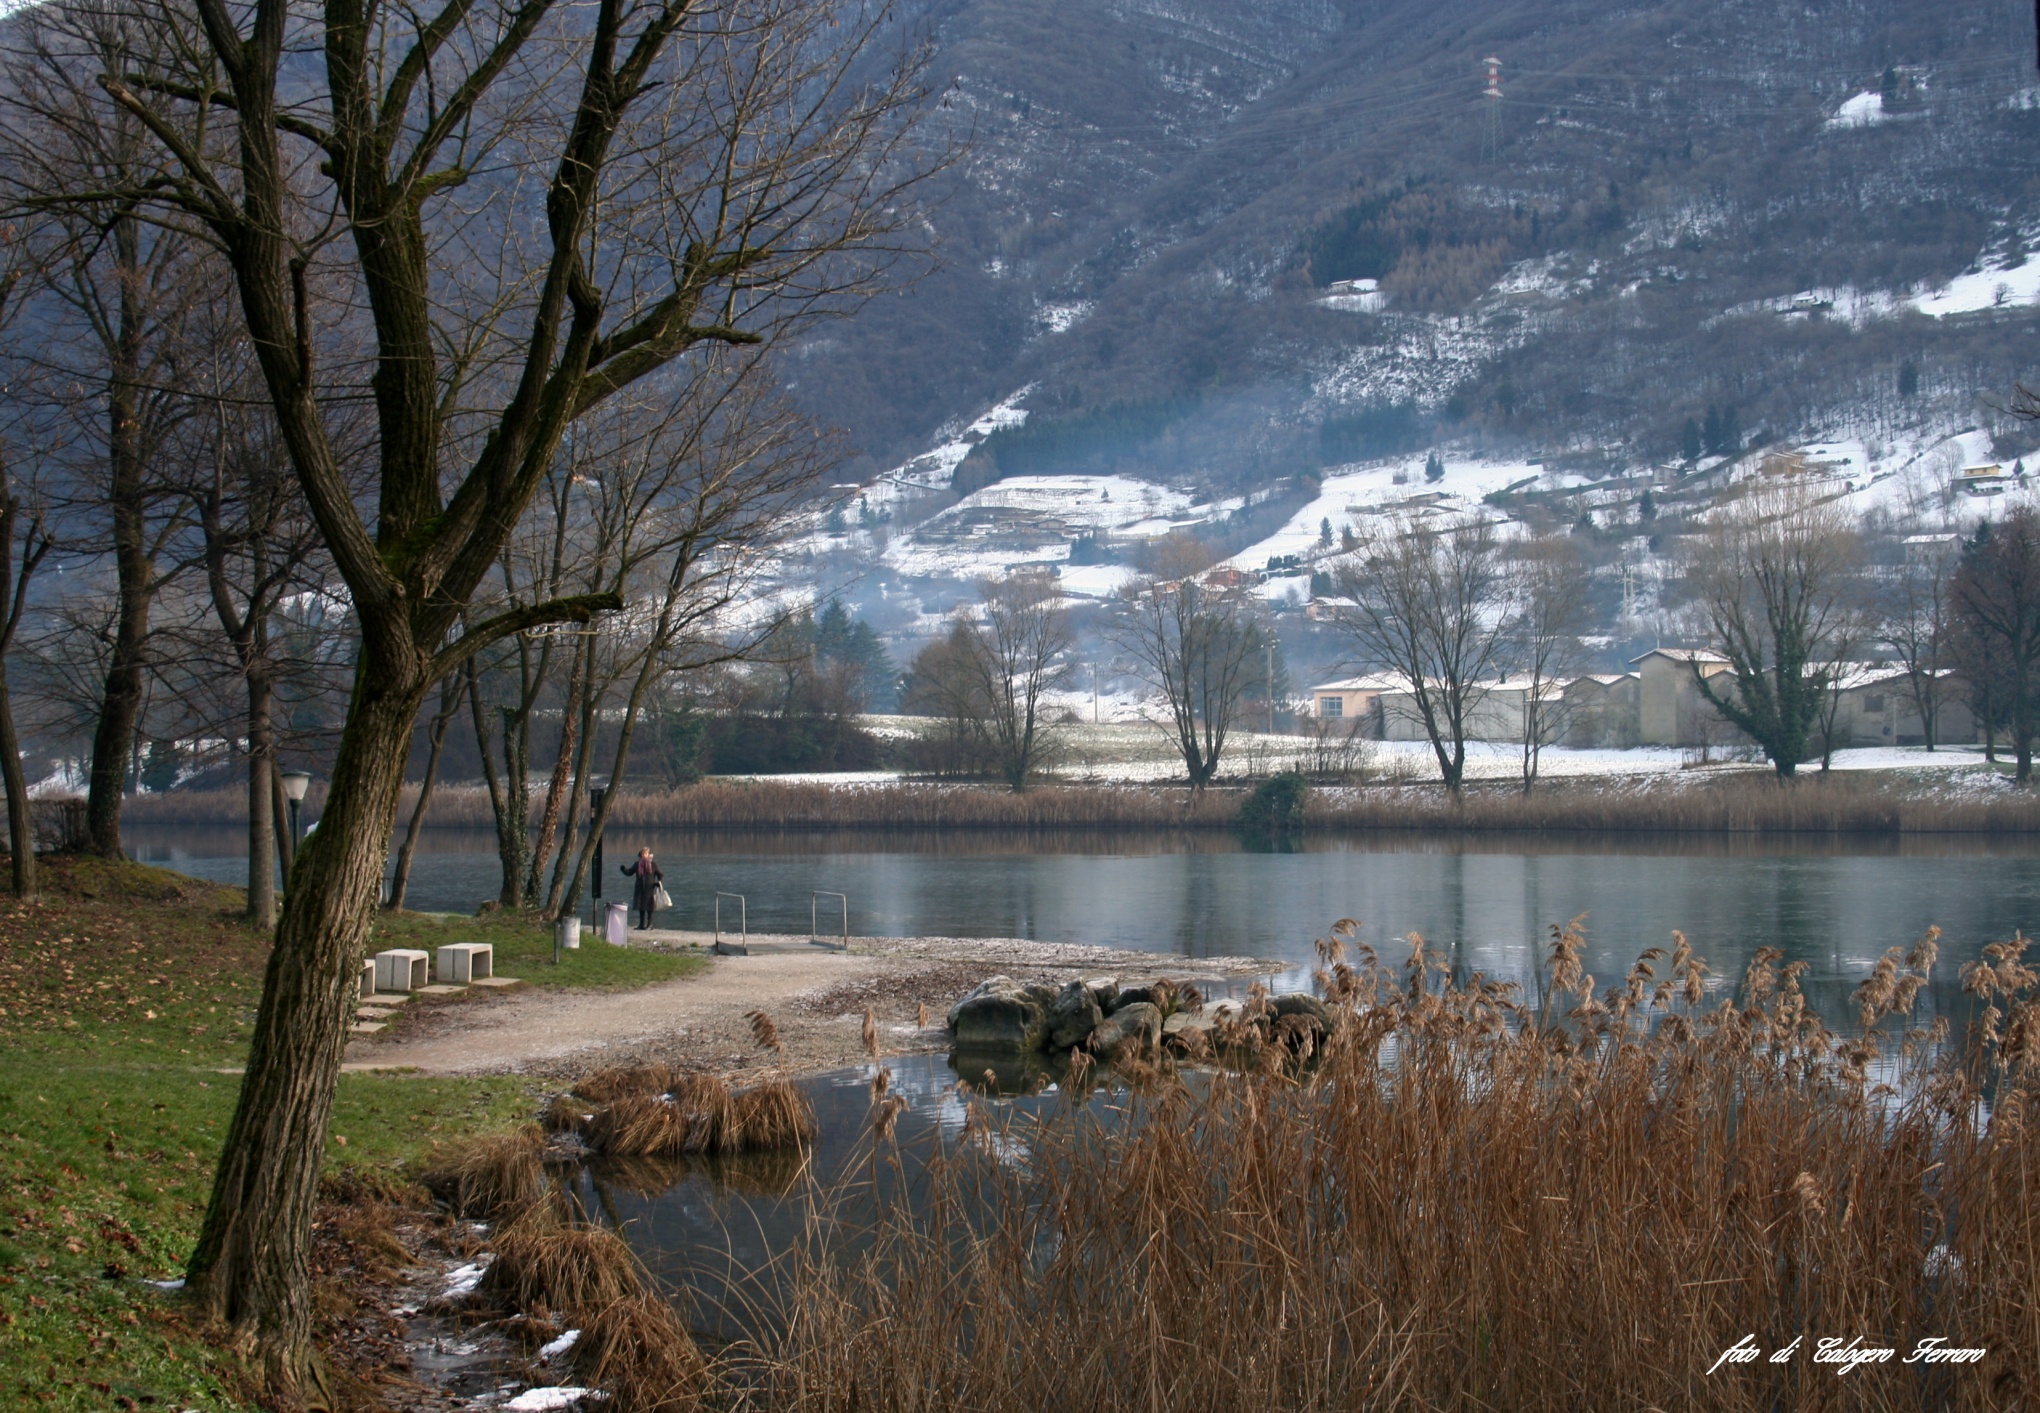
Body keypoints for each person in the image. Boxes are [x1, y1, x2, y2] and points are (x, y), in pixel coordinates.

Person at [621, 847, 663, 930]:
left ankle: (650, 925)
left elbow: (660, 874)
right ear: (640, 855)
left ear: (648, 854)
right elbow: (630, 872)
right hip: (639, 888)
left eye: (646, 854)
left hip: (650, 888)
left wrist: (659, 882)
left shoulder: (653, 864)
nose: (644, 855)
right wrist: (624, 869)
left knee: (650, 908)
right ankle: (641, 925)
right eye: (643, 854)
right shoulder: (637, 864)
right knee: (641, 907)